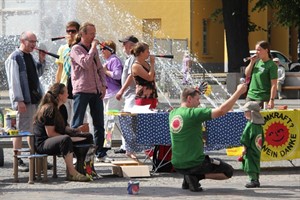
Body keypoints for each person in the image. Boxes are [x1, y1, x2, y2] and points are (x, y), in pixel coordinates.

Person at [169, 83, 247, 192]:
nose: (199, 102)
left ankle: (189, 176)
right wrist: (239, 91)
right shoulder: (193, 113)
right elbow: (221, 111)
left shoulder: (172, 113)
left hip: (176, 163)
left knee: (205, 162)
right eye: (197, 99)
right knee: (228, 171)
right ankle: (196, 177)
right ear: (189, 99)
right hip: (195, 163)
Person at [33, 83, 92, 182]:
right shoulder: (49, 109)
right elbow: (50, 133)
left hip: (57, 139)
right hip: (43, 142)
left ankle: (84, 168)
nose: (68, 95)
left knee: (88, 136)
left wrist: (77, 130)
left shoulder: (62, 108)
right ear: (60, 96)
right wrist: (71, 138)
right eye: (66, 92)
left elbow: (65, 128)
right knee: (66, 139)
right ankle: (72, 173)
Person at [5, 31, 46, 172]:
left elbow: (37, 75)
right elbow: (14, 81)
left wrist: (41, 61)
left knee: (32, 129)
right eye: (31, 42)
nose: (34, 45)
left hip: (34, 99)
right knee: (20, 130)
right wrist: (19, 100)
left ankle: (33, 158)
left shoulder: (29, 56)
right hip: (24, 100)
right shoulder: (15, 57)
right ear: (22, 40)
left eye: (35, 42)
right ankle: (19, 159)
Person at [69, 22, 108, 163]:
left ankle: (100, 152)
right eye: (91, 33)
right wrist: (92, 48)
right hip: (82, 90)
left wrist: (103, 85)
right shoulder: (76, 49)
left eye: (95, 33)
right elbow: (85, 63)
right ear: (83, 34)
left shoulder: (94, 50)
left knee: (99, 122)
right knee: (77, 122)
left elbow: (99, 69)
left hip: (96, 90)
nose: (94, 36)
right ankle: (75, 154)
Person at [116, 35, 140, 158]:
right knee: (129, 121)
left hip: (131, 94)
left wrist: (121, 91)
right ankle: (128, 148)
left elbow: (131, 76)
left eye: (124, 44)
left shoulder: (132, 57)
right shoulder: (130, 58)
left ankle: (130, 149)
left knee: (128, 121)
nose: (123, 46)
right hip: (130, 94)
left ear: (131, 45)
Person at [100, 40, 123, 162]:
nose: (101, 51)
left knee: (110, 120)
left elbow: (117, 75)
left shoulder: (114, 60)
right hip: (108, 94)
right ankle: (124, 142)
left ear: (110, 49)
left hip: (114, 94)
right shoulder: (108, 61)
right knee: (111, 119)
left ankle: (106, 144)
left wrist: (105, 71)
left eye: (103, 49)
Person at [55, 21, 80, 124]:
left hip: (77, 87)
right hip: (64, 88)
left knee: (79, 119)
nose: (70, 34)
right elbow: (59, 69)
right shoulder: (62, 48)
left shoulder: (81, 48)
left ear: (78, 32)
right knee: (64, 118)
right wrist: (56, 87)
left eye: (73, 31)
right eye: (68, 31)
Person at [245, 40, 278, 109]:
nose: (256, 52)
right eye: (256, 50)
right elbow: (247, 74)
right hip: (250, 95)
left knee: (257, 118)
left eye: (259, 50)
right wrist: (251, 62)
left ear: (266, 50)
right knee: (247, 118)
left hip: (262, 97)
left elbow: (274, 85)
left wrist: (271, 100)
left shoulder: (272, 65)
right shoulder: (257, 62)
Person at [239, 101, 264, 188]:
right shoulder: (259, 125)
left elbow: (246, 137)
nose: (244, 113)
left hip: (250, 149)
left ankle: (253, 180)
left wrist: (244, 148)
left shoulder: (250, 125)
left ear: (252, 113)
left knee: (249, 163)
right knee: (256, 162)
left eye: (246, 111)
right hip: (257, 149)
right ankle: (256, 179)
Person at [131, 42, 158, 109]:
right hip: (143, 97)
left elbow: (153, 79)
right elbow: (149, 78)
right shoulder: (136, 66)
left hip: (152, 96)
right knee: (144, 118)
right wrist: (152, 64)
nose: (149, 54)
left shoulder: (146, 64)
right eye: (147, 51)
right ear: (141, 53)